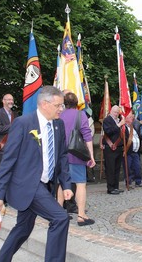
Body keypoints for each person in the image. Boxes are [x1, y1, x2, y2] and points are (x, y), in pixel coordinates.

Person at [0, 86, 73, 262]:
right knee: (60, 218)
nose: (61, 109)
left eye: (62, 105)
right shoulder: (23, 123)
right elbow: (8, 160)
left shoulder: (58, 124)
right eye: (58, 105)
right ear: (44, 104)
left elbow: (62, 156)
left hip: (45, 185)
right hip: (27, 184)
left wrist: (66, 184)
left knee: (23, 228)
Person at [60, 92, 96, 226]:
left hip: (61, 156)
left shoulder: (59, 114)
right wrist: (91, 156)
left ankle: (59, 213)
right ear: (77, 103)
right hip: (76, 155)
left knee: (61, 184)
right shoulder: (81, 115)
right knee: (80, 184)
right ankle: (81, 216)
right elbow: (87, 136)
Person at [101, 105, 125, 195]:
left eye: (117, 112)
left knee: (117, 168)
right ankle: (110, 188)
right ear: (111, 111)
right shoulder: (107, 120)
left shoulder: (118, 120)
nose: (116, 114)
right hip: (110, 148)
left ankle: (116, 186)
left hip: (118, 147)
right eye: (115, 112)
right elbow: (108, 131)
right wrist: (119, 125)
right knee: (110, 168)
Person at [0, 94, 17, 168]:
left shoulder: (15, 114)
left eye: (12, 100)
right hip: (3, 148)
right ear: (3, 101)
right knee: (2, 173)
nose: (11, 101)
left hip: (14, 148)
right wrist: (12, 126)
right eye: (9, 99)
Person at [123, 111, 142, 187]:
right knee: (128, 168)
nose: (133, 118)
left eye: (132, 117)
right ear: (126, 118)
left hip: (135, 151)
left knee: (137, 167)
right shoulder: (123, 128)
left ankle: (138, 181)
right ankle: (129, 182)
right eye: (131, 117)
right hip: (128, 151)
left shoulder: (133, 127)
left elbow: (138, 137)